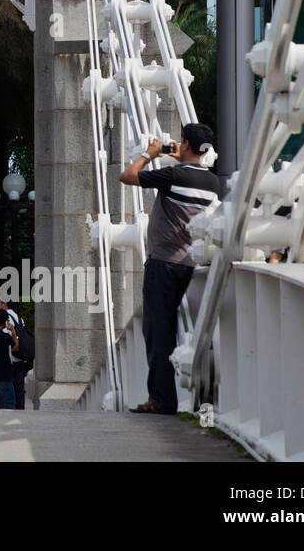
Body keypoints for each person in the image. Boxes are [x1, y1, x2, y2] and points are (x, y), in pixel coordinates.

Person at [119, 122, 221, 415]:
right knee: (191, 331)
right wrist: (181, 159)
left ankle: (162, 400)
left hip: (163, 263)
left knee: (158, 332)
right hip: (191, 265)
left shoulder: (174, 175)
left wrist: (149, 154)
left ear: (186, 143)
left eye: (181, 141)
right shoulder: (213, 183)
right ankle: (202, 399)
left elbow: (127, 176)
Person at [0, 299, 31, 409]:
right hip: (21, 356)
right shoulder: (19, 317)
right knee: (19, 387)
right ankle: (20, 409)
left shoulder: (5, 317)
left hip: (10, 357)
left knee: (7, 387)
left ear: (4, 303)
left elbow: (5, 336)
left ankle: (9, 409)